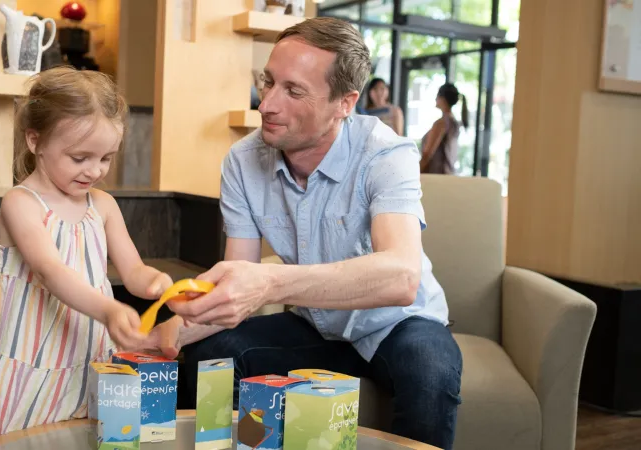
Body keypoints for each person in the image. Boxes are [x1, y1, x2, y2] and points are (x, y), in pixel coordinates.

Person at [164, 17, 463, 450]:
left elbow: (402, 277)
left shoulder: (387, 153)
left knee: (430, 371)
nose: (266, 104)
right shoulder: (243, 161)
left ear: (345, 102)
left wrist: (269, 282)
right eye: (268, 83)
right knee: (213, 353)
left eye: (293, 90)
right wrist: (169, 331)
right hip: (315, 326)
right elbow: (237, 288)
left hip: (399, 323)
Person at [0, 67, 181, 449]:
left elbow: (134, 270)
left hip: (85, 351)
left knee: (80, 436)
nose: (95, 170)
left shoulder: (102, 205)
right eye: (79, 158)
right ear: (35, 140)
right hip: (30, 354)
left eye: (106, 158)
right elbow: (50, 271)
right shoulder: (20, 204)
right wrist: (108, 310)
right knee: (21, 439)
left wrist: (158, 284)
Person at [420, 83, 468, 174]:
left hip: (437, 176)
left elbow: (427, 154)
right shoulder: (454, 123)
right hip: (448, 174)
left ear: (443, 99)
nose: (435, 99)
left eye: (437, 95)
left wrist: (413, 174)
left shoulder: (441, 123)